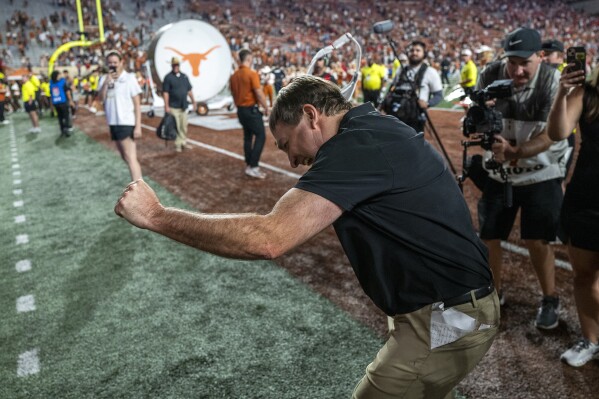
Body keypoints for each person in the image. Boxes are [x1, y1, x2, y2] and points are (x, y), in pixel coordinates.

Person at [115, 75, 499, 399]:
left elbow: (268, 238)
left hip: (448, 317)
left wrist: (157, 216)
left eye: (285, 144)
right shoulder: (373, 130)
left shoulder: (355, 146)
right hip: (449, 308)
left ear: (311, 116)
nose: (291, 160)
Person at [475, 27, 568, 329]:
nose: (517, 70)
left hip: (542, 170)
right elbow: (477, 118)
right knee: (490, 235)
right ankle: (493, 295)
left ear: (541, 57)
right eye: (511, 62)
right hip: (499, 171)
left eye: (524, 62)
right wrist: (487, 134)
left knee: (537, 239)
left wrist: (514, 150)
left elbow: (551, 136)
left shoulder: (553, 81)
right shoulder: (490, 73)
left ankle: (550, 297)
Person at [547, 65, 599, 367]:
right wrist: (561, 93)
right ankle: (591, 339)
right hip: (585, 199)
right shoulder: (587, 94)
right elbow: (558, 132)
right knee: (584, 274)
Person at [98, 50, 143, 182]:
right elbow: (101, 99)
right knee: (125, 156)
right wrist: (107, 81)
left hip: (126, 121)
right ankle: (139, 184)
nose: (113, 65)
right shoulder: (104, 79)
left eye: (115, 62)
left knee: (130, 157)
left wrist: (138, 126)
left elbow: (137, 103)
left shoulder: (129, 78)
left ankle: (138, 189)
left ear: (121, 63)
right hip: (113, 122)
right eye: (110, 63)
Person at [383, 40, 443, 133]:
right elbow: (391, 89)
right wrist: (384, 104)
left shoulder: (430, 72)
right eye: (412, 50)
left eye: (418, 50)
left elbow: (439, 95)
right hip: (395, 115)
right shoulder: (401, 69)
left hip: (415, 118)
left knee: (412, 146)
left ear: (424, 54)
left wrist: (427, 104)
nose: (414, 53)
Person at [230, 49, 270, 179]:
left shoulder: (234, 75)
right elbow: (258, 92)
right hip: (251, 109)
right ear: (249, 59)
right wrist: (266, 107)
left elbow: (234, 93)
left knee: (247, 137)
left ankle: (249, 164)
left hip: (241, 110)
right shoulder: (251, 74)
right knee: (261, 135)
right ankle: (253, 166)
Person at [162, 56, 196, 152]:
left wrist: (193, 101)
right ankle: (178, 144)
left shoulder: (184, 77)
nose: (175, 67)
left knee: (183, 125)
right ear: (172, 66)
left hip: (183, 106)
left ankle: (183, 142)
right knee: (176, 125)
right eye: (174, 65)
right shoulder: (168, 77)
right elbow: (165, 92)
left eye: (177, 65)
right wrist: (166, 106)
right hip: (173, 106)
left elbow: (189, 90)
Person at [49, 70, 75, 137]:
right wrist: (71, 101)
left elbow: (51, 94)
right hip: (63, 102)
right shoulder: (62, 82)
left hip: (56, 103)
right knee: (66, 116)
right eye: (59, 74)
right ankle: (66, 129)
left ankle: (62, 130)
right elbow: (67, 92)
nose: (61, 75)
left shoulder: (51, 83)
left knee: (60, 117)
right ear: (57, 75)